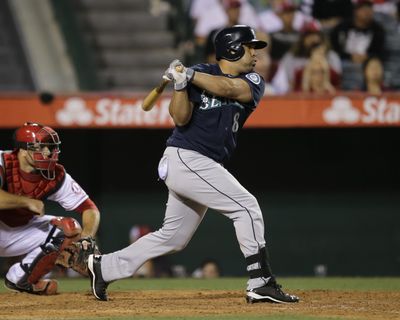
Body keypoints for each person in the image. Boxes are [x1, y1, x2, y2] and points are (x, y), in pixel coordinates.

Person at [87, 24, 299, 304]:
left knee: (173, 237)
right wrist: (180, 84)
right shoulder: (201, 72)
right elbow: (180, 117)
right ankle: (261, 281)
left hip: (201, 163)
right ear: (233, 48)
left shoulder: (253, 80)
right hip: (186, 157)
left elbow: (229, 88)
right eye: (250, 47)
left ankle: (105, 267)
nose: (255, 53)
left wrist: (189, 74)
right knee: (246, 207)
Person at [0, 122, 100, 295]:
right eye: (42, 147)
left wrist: (87, 238)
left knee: (69, 229)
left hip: (18, 233)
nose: (48, 152)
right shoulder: (2, 161)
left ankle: (21, 280)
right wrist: (26, 202)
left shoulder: (55, 174)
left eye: (51, 147)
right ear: (23, 150)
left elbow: (90, 208)